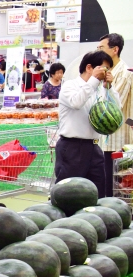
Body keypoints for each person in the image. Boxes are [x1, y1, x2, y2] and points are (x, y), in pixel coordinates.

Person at [56, 50, 117, 197]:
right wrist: (94, 80)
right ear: (89, 67)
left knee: (97, 193)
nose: (106, 72)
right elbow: (76, 102)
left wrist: (110, 87)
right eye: (104, 68)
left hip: (94, 147)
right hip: (71, 148)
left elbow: (116, 109)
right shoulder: (69, 86)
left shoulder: (100, 90)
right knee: (68, 195)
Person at [97, 33, 133, 197]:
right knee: (106, 180)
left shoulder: (124, 73)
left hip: (117, 138)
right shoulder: (107, 71)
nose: (98, 51)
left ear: (115, 50)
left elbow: (114, 104)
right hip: (106, 138)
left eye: (101, 48)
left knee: (115, 184)